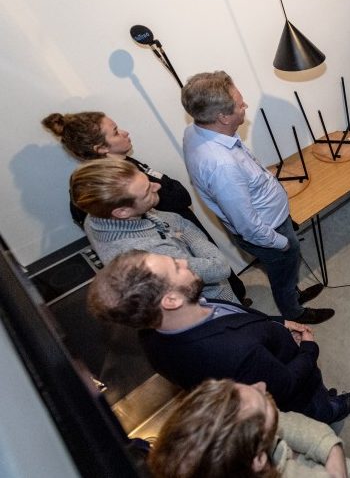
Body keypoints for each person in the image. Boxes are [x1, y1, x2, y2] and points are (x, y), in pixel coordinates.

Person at [87, 250, 350, 424]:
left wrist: (278, 322)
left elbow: (243, 318)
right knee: (316, 406)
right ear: (170, 300)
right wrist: (309, 349)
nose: (184, 261)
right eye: (175, 266)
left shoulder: (153, 334)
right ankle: (333, 409)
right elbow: (286, 385)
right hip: (297, 390)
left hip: (273, 354)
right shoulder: (232, 351)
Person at [42, 111, 249, 304]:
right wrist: (184, 231)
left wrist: (183, 227)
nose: (125, 132)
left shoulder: (127, 168)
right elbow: (213, 267)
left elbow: (177, 211)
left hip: (197, 257)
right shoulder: (142, 246)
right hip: (200, 292)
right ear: (101, 149)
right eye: (115, 132)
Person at [181, 71, 331, 325]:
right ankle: (294, 311)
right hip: (270, 230)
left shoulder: (196, 130)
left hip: (271, 218)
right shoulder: (222, 166)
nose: (245, 106)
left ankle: (294, 294)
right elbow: (248, 226)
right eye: (240, 104)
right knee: (283, 273)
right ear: (223, 117)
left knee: (286, 271)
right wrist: (281, 243)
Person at [71, 159, 237, 302]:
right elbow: (218, 268)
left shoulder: (96, 217)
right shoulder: (148, 253)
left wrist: (180, 229)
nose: (157, 186)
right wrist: (186, 235)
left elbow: (174, 219)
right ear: (122, 212)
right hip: (212, 303)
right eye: (146, 192)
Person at [148, 378, 350, 478]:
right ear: (258, 460)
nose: (261, 384)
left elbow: (284, 421)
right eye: (263, 406)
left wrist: (331, 448)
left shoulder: (243, 439)